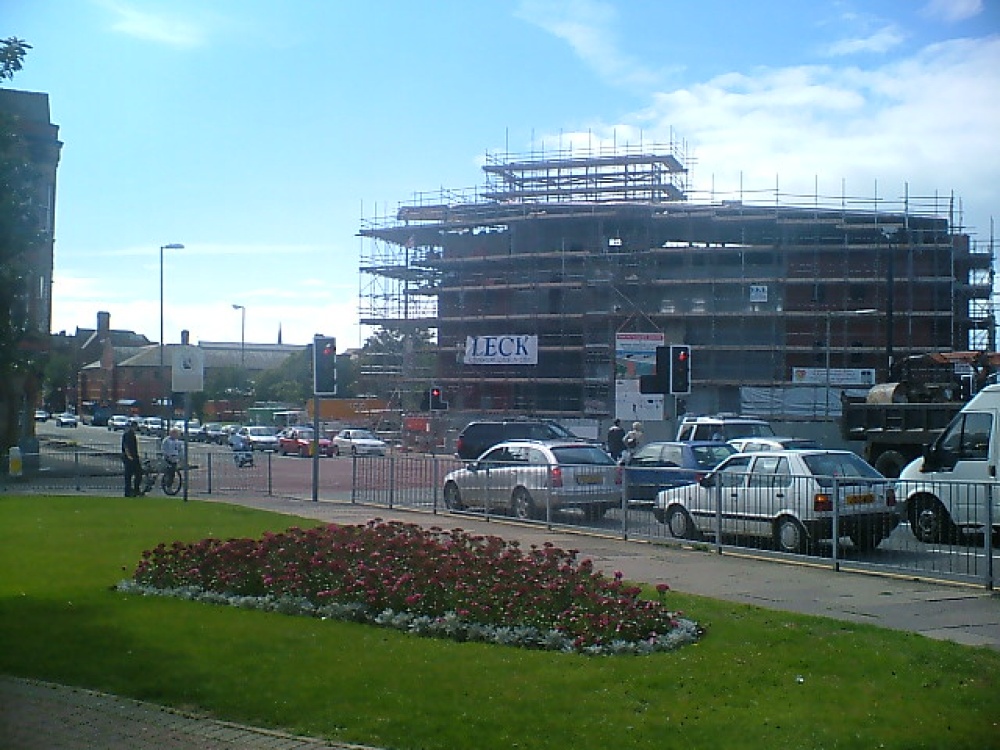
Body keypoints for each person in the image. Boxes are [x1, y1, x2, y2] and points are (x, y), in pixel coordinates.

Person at [121, 421, 142, 496]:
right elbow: (126, 446)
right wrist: (129, 456)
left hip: (133, 457)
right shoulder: (128, 434)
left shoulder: (131, 434)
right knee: (130, 475)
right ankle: (129, 491)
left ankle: (133, 490)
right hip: (130, 458)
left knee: (136, 474)